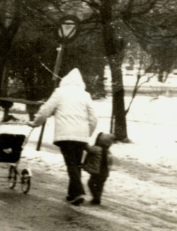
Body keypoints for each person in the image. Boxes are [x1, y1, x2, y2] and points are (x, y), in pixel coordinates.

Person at [31, 68, 97, 205]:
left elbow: (45, 110)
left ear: (65, 80)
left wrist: (36, 123)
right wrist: (87, 133)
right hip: (81, 136)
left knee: (71, 163)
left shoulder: (59, 92)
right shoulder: (85, 95)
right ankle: (72, 193)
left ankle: (78, 192)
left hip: (65, 136)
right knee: (76, 163)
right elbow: (94, 118)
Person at [82, 132, 116, 205]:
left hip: (96, 172)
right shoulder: (108, 152)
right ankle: (98, 198)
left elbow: (89, 149)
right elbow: (110, 162)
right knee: (100, 186)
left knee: (91, 183)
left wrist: (83, 143)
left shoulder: (96, 148)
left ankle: (96, 197)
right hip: (104, 173)